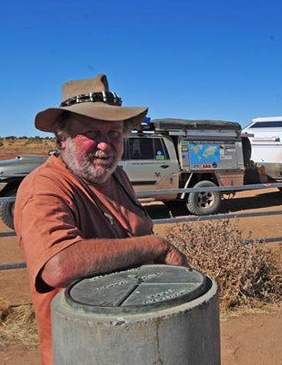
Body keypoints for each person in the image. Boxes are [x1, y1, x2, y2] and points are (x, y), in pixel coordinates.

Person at [14, 74, 187, 364]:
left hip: (134, 339)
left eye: (114, 134)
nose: (105, 145)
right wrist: (156, 246)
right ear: (62, 137)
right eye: (92, 133)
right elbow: (58, 265)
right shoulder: (44, 187)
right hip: (85, 348)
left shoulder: (116, 176)